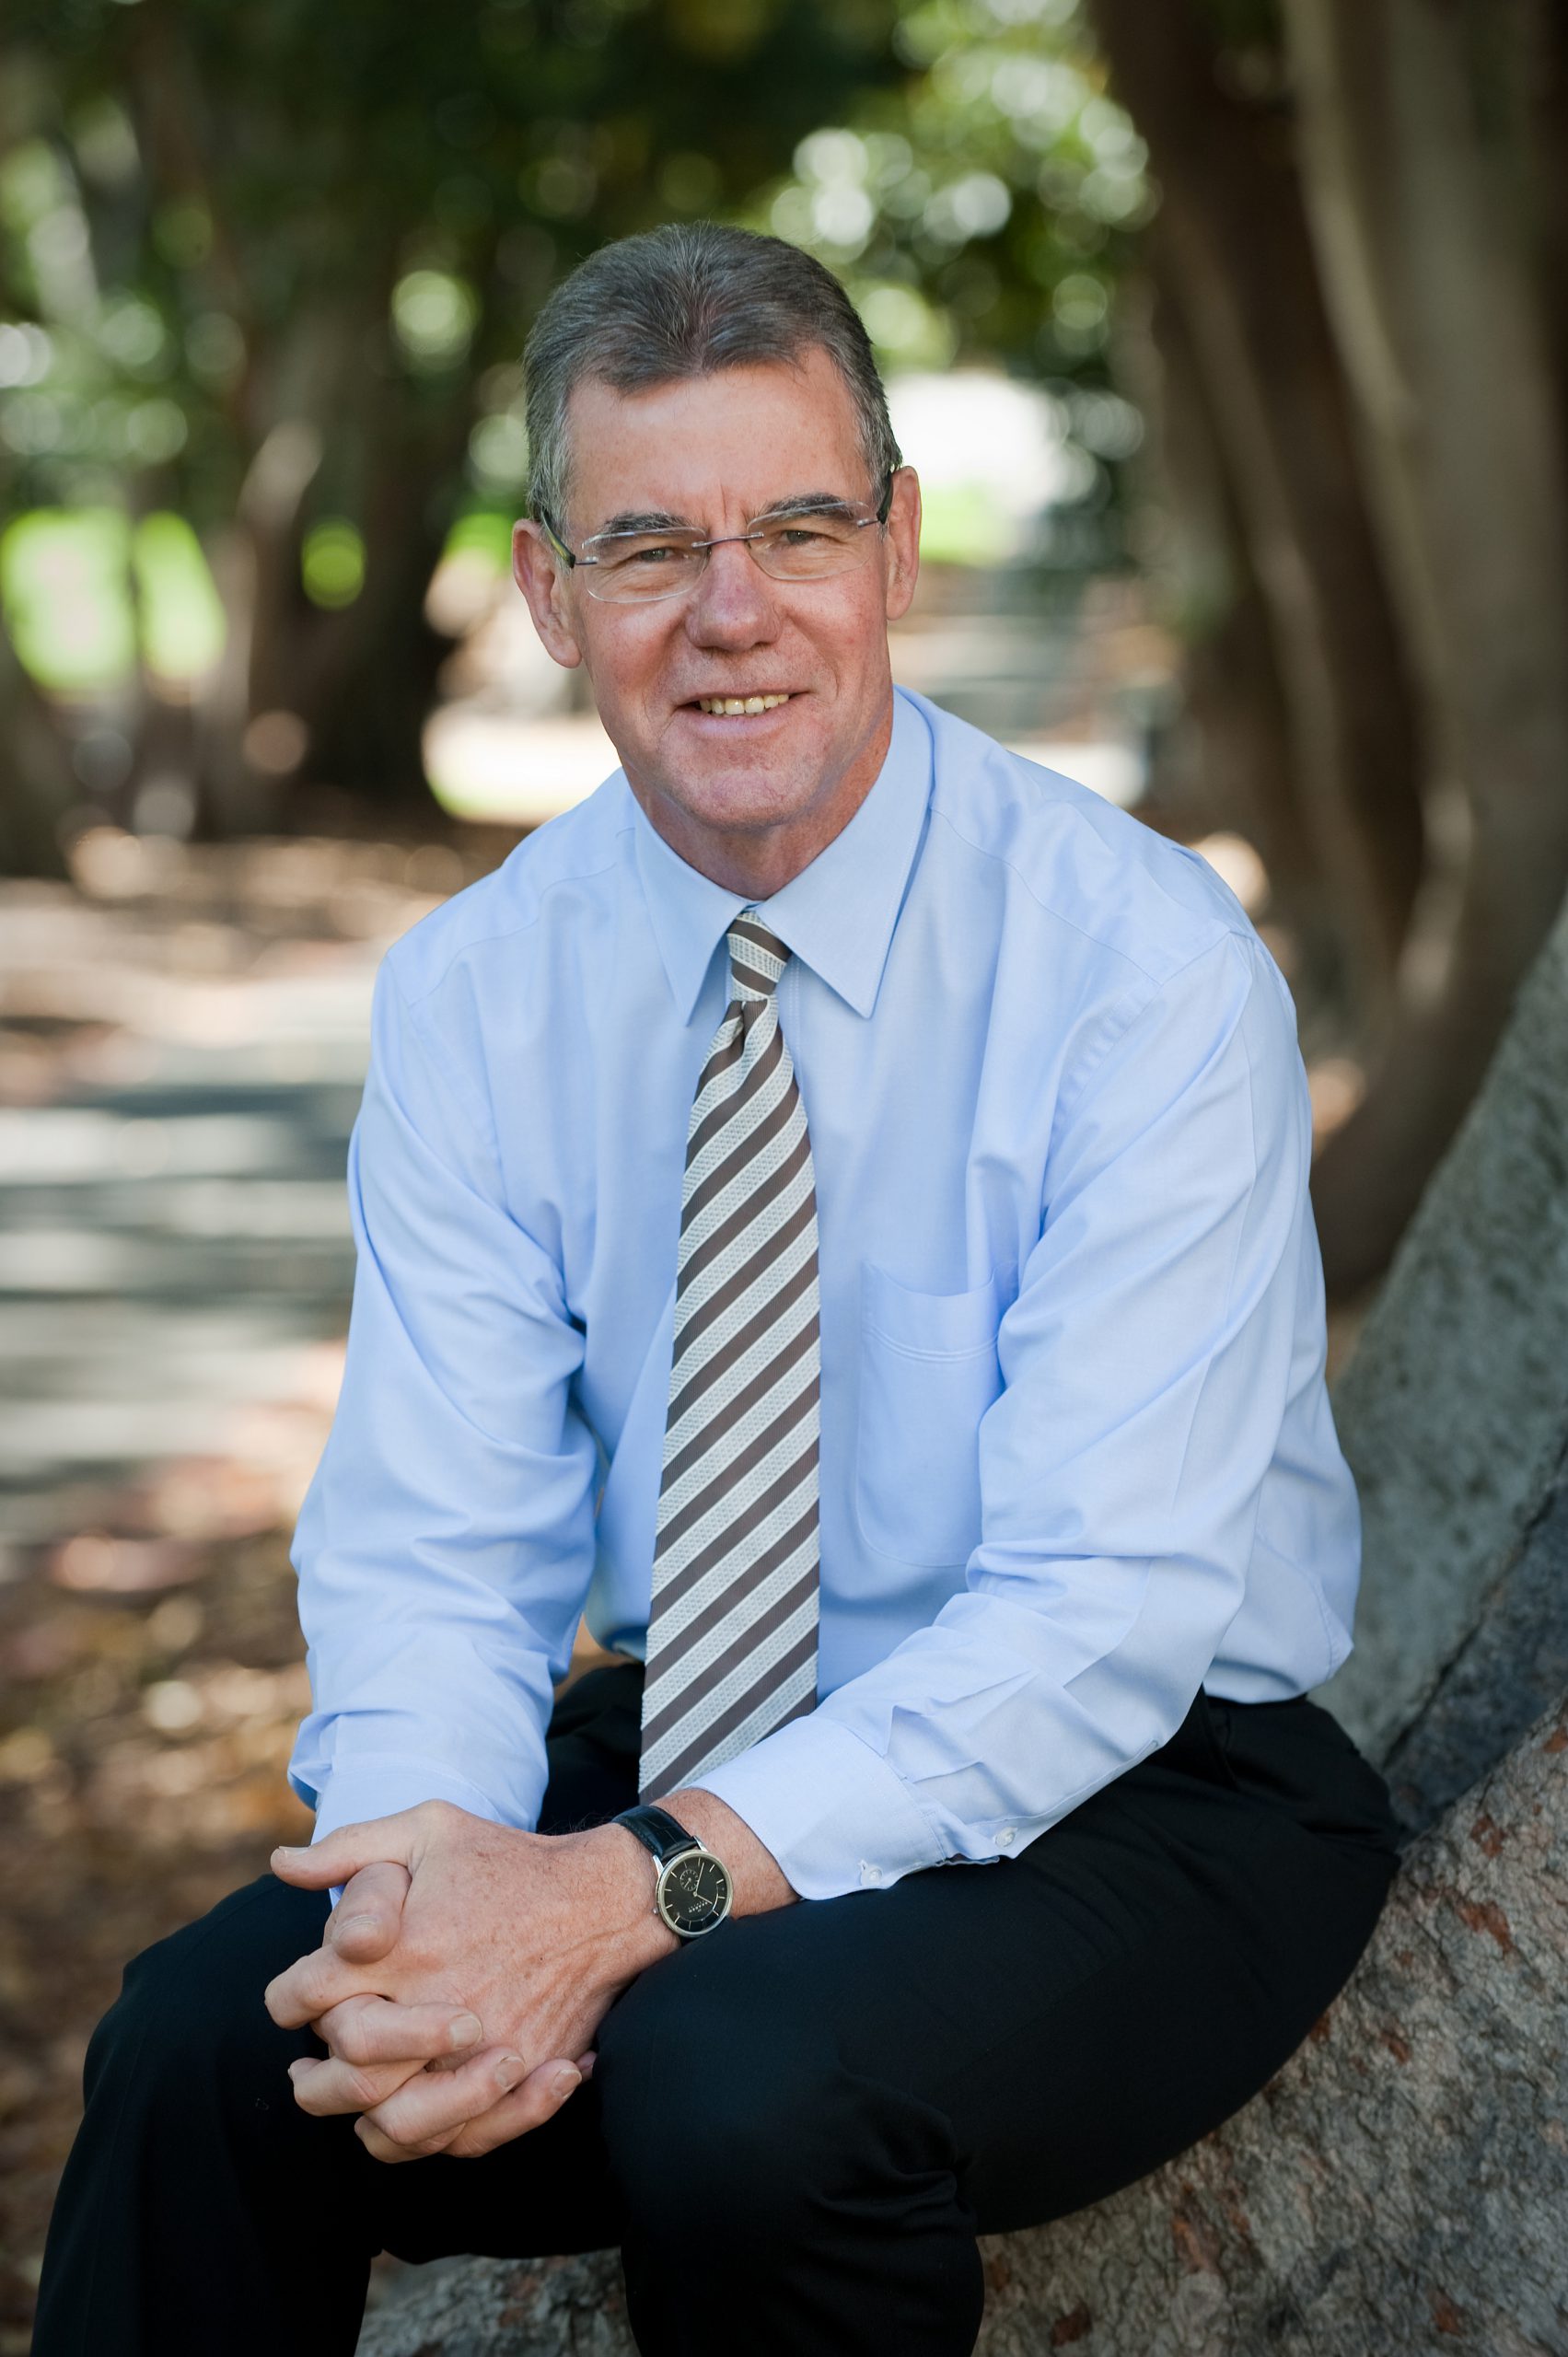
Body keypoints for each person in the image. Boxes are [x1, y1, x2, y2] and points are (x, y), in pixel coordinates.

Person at [33, 223, 1400, 2357]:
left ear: (898, 547)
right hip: (695, 1719)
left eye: (797, 529)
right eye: (652, 545)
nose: (732, 609)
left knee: (738, 2083)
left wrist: (616, 1893)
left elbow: (1099, 1614)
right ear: (549, 591)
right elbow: (437, 1544)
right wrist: (418, 1895)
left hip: (1152, 1780)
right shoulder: (484, 987)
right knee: (211, 2047)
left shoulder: (1139, 969)